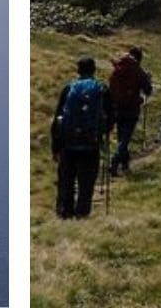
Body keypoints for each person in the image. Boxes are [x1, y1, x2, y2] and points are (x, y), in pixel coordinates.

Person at [50, 57, 113, 219]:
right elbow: (111, 117)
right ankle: (82, 214)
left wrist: (55, 146)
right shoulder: (101, 89)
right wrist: (102, 131)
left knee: (67, 178)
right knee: (86, 180)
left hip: (68, 142)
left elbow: (58, 117)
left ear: (78, 70)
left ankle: (65, 211)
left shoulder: (69, 88)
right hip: (91, 143)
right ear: (94, 70)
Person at [107, 47, 153, 176]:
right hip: (132, 108)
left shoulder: (119, 66)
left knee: (122, 136)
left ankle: (125, 163)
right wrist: (148, 80)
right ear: (140, 59)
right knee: (125, 138)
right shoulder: (138, 70)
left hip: (117, 107)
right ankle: (115, 161)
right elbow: (148, 90)